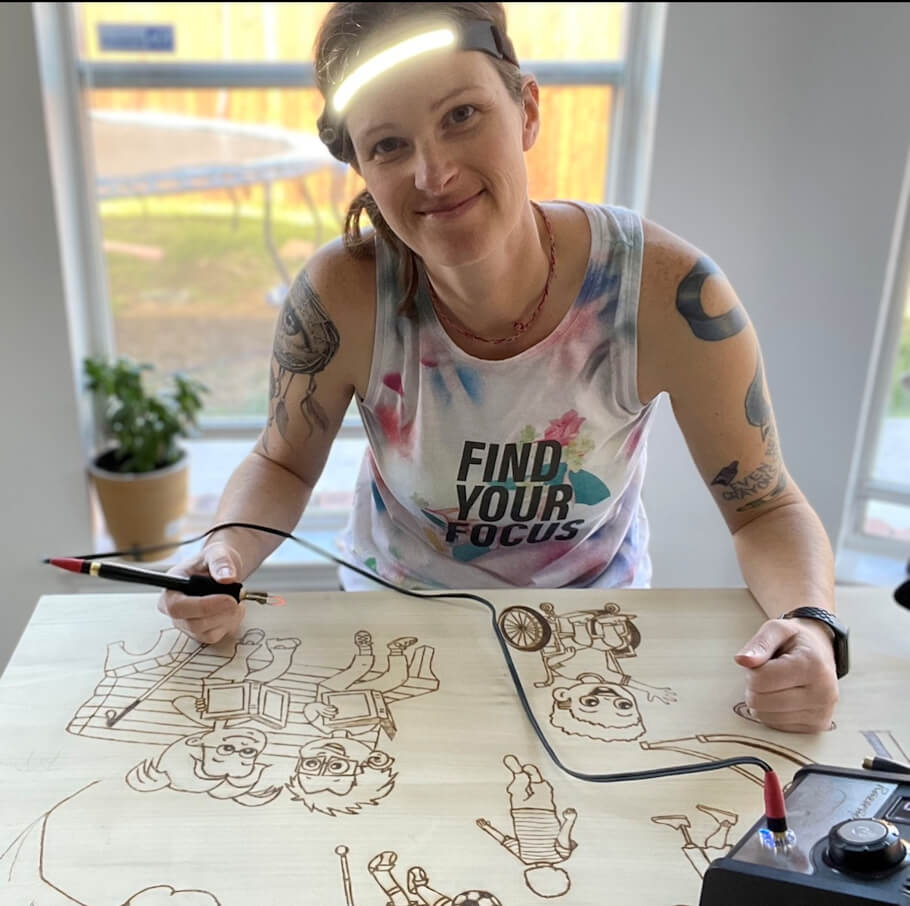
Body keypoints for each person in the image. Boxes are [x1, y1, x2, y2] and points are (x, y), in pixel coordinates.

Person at [158, 1, 842, 735]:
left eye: (461, 115)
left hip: (593, 638)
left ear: (527, 111)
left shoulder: (667, 294)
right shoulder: (341, 297)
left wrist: (811, 625)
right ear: (360, 167)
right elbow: (283, 464)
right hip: (395, 630)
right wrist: (224, 552)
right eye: (388, 145)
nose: (434, 173)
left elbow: (764, 507)